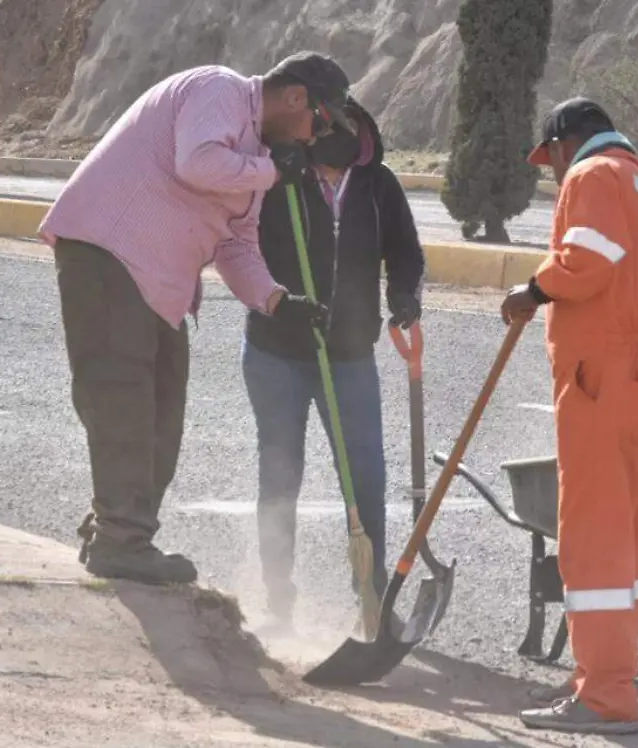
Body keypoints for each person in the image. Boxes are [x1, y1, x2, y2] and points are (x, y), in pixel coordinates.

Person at [38, 52, 357, 587]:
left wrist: (277, 301)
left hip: (156, 282)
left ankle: (118, 528)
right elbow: (198, 163)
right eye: (319, 122)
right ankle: (122, 539)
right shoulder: (221, 90)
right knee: (123, 401)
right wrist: (274, 171)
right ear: (295, 97)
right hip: (108, 253)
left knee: (163, 411)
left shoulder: (255, 160)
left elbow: (236, 246)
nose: (313, 137)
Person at [501, 97, 638, 735]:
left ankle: (605, 696)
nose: (554, 174)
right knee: (627, 538)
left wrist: (532, 290)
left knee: (593, 537)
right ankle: (602, 675)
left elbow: (587, 260)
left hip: (601, 379)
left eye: (550, 161)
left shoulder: (590, 174)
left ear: (563, 144)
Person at [240, 96, 425, 630]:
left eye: (344, 131)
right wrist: (280, 302)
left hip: (349, 355)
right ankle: (278, 601)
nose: (331, 141)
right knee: (280, 474)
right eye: (320, 131)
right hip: (277, 350)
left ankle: (372, 601)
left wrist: (404, 295)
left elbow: (406, 251)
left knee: (365, 476)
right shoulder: (280, 179)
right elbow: (239, 246)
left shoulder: (377, 185)